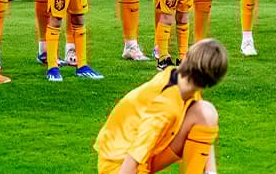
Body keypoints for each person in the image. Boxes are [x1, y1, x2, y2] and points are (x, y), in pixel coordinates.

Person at [94, 38, 227, 174]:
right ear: (212, 82)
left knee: (206, 112)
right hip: (118, 163)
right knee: (205, 112)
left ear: (186, 57)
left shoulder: (181, 80)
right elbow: (135, 154)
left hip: (139, 154)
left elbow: (204, 126)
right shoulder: (166, 105)